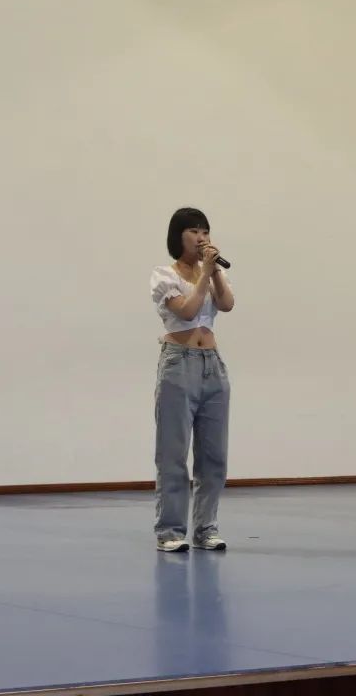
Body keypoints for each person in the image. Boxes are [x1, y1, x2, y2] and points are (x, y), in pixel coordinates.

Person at [149, 207, 235, 552]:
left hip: (212, 365)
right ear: (178, 236)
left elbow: (226, 304)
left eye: (205, 231)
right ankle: (170, 531)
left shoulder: (211, 274)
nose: (201, 238)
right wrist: (204, 276)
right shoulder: (163, 275)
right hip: (178, 363)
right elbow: (186, 311)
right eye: (194, 231)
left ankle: (206, 528)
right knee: (173, 452)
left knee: (214, 455)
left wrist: (214, 273)